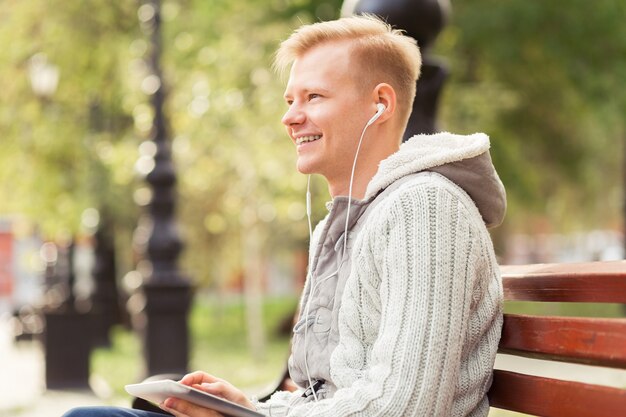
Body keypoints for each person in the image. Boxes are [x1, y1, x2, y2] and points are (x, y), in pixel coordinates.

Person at [63, 13, 506, 417]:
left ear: (380, 105)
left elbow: (407, 406)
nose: (290, 118)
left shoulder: (425, 209)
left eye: (313, 97)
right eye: (290, 100)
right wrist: (247, 407)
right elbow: (326, 392)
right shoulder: (345, 224)